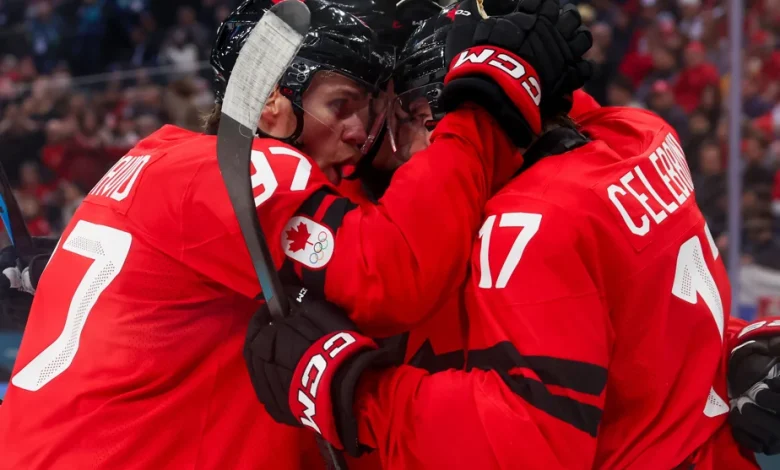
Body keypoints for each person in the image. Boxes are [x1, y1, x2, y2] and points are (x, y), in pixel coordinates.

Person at [0, 0, 586, 467]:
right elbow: (392, 273)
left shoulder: (168, 158)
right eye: (342, 103)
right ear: (273, 102)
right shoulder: (250, 166)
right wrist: (484, 106)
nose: (362, 131)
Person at [244, 2, 766, 469]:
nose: (388, 147)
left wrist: (355, 391)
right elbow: (640, 309)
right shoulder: (639, 132)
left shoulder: (527, 222)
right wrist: (745, 340)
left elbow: (529, 446)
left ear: (434, 117)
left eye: (404, 119)